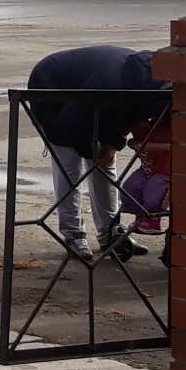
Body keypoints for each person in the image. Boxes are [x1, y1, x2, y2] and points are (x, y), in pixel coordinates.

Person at [27, 45, 164, 262]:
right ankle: (73, 234)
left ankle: (110, 232)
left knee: (105, 165)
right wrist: (92, 150)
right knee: (68, 163)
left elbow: (121, 117)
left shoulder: (148, 87)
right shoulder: (111, 83)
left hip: (92, 98)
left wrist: (111, 145)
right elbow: (69, 124)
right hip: (52, 88)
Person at [120, 112, 171, 235]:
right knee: (131, 186)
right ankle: (140, 216)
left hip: (166, 171)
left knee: (155, 190)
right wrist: (138, 143)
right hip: (149, 168)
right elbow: (132, 141)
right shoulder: (151, 125)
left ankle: (153, 219)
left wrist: (153, 147)